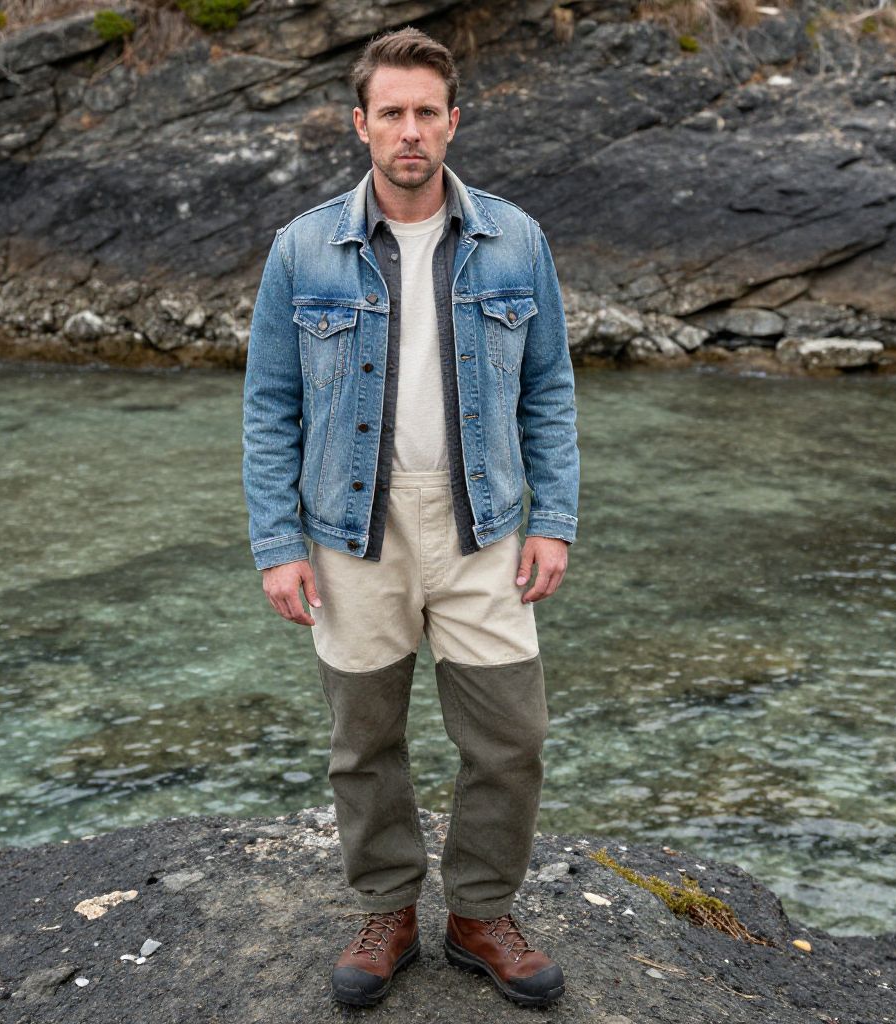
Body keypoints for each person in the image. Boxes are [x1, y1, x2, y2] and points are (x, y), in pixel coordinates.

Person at [242, 26, 580, 1010]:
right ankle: (387, 909)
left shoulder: (515, 239)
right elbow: (270, 403)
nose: (408, 130)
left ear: (452, 122)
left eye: (426, 112)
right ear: (360, 124)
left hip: (486, 527)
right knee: (363, 741)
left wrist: (552, 520)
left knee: (511, 736)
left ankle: (478, 914)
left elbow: (548, 388)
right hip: (351, 531)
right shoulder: (302, 247)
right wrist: (277, 543)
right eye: (390, 112)